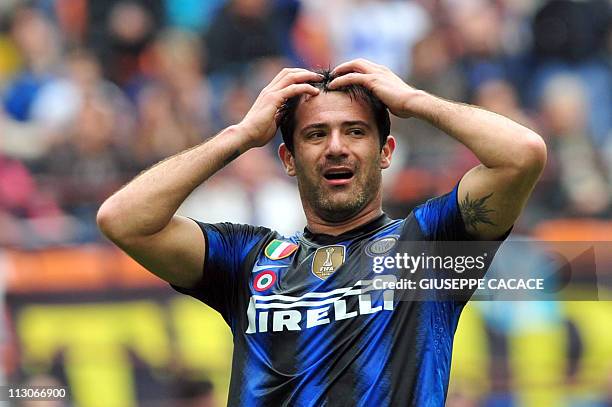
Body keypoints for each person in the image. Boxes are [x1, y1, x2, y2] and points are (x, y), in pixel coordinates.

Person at [97, 59, 546, 406]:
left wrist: (412, 101)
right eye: (315, 134)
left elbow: (522, 154)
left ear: (386, 151)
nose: (336, 146)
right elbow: (123, 220)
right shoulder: (248, 261)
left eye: (355, 131)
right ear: (288, 159)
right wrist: (238, 135)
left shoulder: (427, 247)